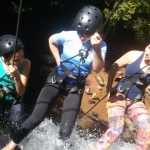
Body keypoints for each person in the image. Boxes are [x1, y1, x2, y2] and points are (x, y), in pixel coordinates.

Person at [2, 5, 107, 150]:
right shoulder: (69, 35)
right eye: (80, 32)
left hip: (75, 86)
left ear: (96, 30)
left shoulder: (101, 46)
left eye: (86, 34)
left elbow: (97, 68)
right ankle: (10, 146)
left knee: (66, 131)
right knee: (36, 118)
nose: (82, 36)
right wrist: (58, 60)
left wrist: (96, 48)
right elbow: (52, 40)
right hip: (57, 77)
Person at [97, 44, 150, 150]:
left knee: (147, 127)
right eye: (148, 47)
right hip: (118, 95)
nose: (147, 52)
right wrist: (109, 88)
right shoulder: (133, 55)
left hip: (136, 102)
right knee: (116, 128)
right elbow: (115, 66)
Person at [0, 35, 31, 138]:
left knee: (15, 127)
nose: (21, 61)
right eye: (16, 60)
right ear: (4, 59)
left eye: (22, 56)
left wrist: (17, 76)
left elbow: (21, 92)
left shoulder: (26, 63)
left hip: (15, 99)